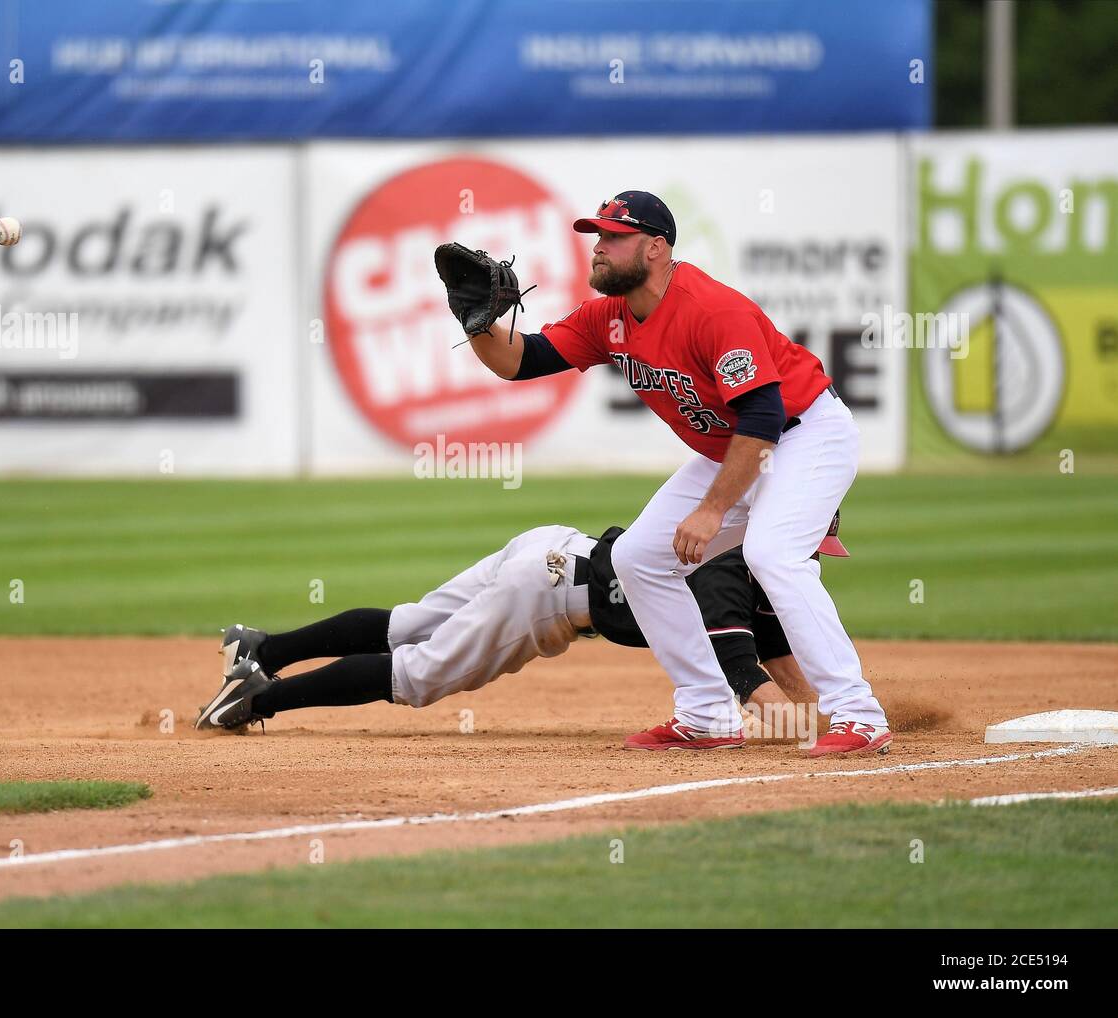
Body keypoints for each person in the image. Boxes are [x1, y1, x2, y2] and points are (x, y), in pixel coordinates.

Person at [452, 191, 890, 756]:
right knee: (637, 559)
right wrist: (480, 324)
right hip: (735, 446)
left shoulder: (711, 310)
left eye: (614, 237)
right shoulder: (607, 316)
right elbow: (522, 361)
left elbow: (763, 414)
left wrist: (710, 511)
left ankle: (860, 714)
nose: (599, 248)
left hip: (805, 434)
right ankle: (708, 713)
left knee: (772, 554)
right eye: (597, 237)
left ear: (656, 248)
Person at [193, 516, 850, 747]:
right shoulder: (729, 573)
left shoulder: (749, 561)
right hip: (546, 596)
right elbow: (745, 678)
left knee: (412, 623)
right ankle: (255, 699)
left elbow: (782, 662)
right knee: (417, 674)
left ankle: (261, 646)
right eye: (809, 544)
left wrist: (833, 714)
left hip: (554, 546)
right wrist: (804, 731)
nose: (814, 558)